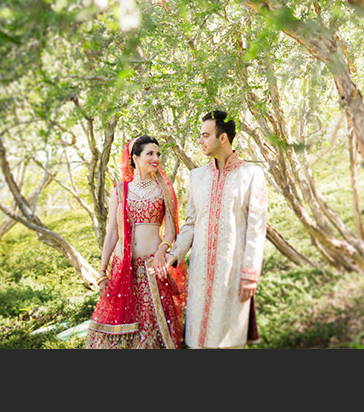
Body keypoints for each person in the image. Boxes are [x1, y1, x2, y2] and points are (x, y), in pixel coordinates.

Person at [164, 110, 267, 348]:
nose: (200, 141)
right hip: (200, 273)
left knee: (228, 341)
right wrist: (173, 254)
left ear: (223, 138)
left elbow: (256, 229)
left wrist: (250, 275)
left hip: (232, 274)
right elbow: (190, 224)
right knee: (197, 341)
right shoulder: (196, 177)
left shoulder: (251, 175)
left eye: (205, 135)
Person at [86, 135, 187, 349]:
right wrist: (102, 272)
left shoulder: (164, 189)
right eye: (150, 153)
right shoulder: (120, 190)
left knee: (151, 333)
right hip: (124, 270)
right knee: (120, 335)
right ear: (135, 157)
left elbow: (170, 232)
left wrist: (162, 252)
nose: (156, 158)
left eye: (158, 153)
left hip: (152, 269)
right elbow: (112, 233)